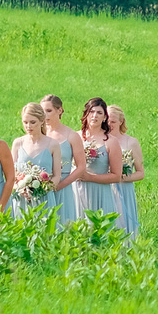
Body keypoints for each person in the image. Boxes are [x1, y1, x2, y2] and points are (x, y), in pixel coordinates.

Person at [11, 101, 61, 220]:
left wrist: (42, 189)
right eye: (25, 122)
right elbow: (12, 174)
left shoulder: (53, 144)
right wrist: (20, 188)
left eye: (32, 122)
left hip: (44, 198)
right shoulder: (18, 143)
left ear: (42, 121)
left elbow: (57, 175)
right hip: (22, 198)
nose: (28, 126)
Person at [42, 94, 86, 226]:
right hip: (42, 186)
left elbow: (81, 167)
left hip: (64, 187)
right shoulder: (40, 134)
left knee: (62, 224)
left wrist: (60, 185)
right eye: (42, 111)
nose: (45, 115)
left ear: (59, 110)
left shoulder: (71, 136)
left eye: (49, 111)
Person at [74, 97, 121, 217]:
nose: (95, 116)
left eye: (99, 113)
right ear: (86, 114)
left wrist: (90, 177)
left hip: (99, 191)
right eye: (91, 112)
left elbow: (116, 176)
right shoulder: (75, 137)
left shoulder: (111, 141)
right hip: (76, 190)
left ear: (105, 117)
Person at [108, 104, 145, 239]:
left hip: (124, 189)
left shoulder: (131, 142)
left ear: (121, 121)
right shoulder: (100, 140)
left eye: (113, 121)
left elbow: (140, 172)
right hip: (105, 187)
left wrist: (121, 177)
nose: (109, 124)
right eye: (107, 121)